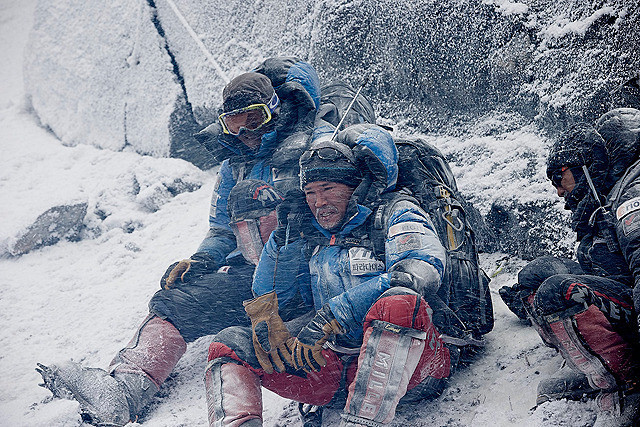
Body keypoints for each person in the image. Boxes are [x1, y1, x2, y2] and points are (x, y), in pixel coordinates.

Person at [36, 55, 321, 426]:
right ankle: (124, 389)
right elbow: (222, 229)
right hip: (252, 278)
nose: (246, 133)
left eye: (255, 120)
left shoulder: (313, 146)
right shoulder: (233, 166)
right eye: (235, 124)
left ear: (274, 110)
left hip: (309, 274)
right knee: (176, 302)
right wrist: (202, 260)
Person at [204, 125, 457, 426]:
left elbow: (419, 269)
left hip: (416, 367)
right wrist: (284, 238)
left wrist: (335, 313)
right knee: (229, 344)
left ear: (354, 186)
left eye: (328, 189)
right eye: (310, 192)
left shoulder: (395, 212)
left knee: (399, 302)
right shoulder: (306, 230)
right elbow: (275, 297)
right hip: (337, 370)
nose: (318, 202)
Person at [499, 107, 640, 426]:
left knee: (557, 291)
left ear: (586, 166)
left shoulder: (632, 195)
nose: (559, 191)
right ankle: (599, 367)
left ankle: (627, 383)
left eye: (558, 177)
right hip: (630, 299)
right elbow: (609, 268)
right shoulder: (605, 202)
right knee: (537, 276)